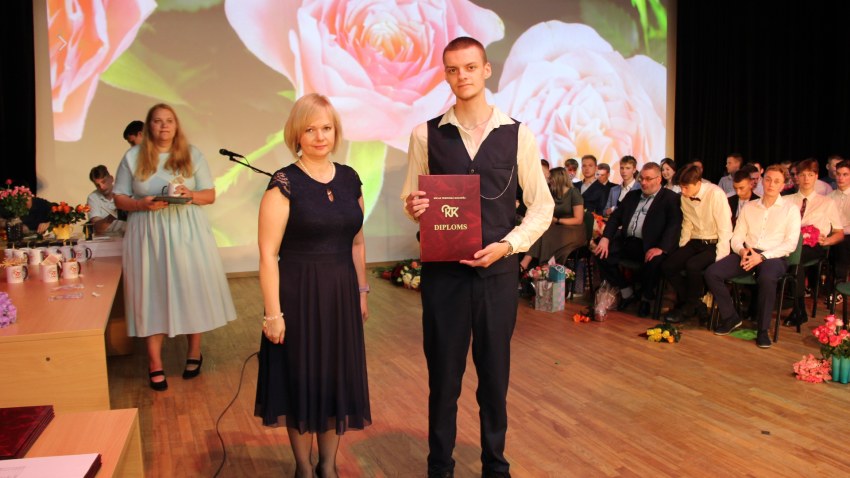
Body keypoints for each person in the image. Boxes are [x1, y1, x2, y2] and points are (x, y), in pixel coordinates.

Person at [402, 36, 553, 478]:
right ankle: (439, 466)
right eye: (452, 69)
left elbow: (541, 207)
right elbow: (410, 198)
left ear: (486, 70)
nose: (461, 76)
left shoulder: (518, 134)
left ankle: (495, 466)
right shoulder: (424, 134)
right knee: (443, 380)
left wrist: (509, 245)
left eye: (470, 67)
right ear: (445, 75)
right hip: (444, 278)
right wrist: (414, 206)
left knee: (494, 377)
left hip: (498, 277)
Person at [255, 94, 370, 478]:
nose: (320, 137)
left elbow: (357, 242)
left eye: (326, 128)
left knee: (336, 379)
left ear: (336, 132)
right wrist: (273, 314)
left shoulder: (350, 178)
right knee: (301, 380)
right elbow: (268, 255)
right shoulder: (284, 183)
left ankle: (328, 466)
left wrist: (362, 292)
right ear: (297, 135)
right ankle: (304, 468)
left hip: (340, 294)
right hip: (298, 295)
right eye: (310, 129)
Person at [113, 103, 236, 391]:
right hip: (148, 232)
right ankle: (154, 362)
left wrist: (190, 195)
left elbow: (210, 195)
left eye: (169, 120)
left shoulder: (192, 154)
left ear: (176, 125)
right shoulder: (133, 156)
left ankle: (194, 352)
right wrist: (140, 204)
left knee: (190, 288)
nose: (164, 126)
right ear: (149, 126)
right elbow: (119, 197)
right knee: (150, 292)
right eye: (158, 121)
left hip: (187, 232)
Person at [706, 165, 801, 348]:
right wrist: (742, 251)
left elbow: (790, 244)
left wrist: (762, 257)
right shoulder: (749, 207)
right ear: (762, 181)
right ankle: (731, 317)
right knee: (712, 273)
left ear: (783, 185)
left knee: (767, 278)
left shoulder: (790, 209)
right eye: (768, 179)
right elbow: (737, 237)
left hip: (774, 256)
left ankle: (763, 330)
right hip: (748, 252)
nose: (771, 184)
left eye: (777, 181)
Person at [594, 163, 682, 317]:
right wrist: (606, 238)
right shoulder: (632, 196)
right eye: (641, 179)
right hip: (628, 241)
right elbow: (615, 218)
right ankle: (626, 291)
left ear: (659, 179)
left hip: (651, 244)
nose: (644, 182)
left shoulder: (670, 198)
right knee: (600, 253)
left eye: (648, 179)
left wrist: (662, 248)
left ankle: (646, 299)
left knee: (654, 262)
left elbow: (674, 225)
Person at [662, 164, 732, 323]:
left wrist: (721, 258)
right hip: (695, 241)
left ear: (698, 183)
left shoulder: (715, 194)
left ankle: (688, 308)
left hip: (714, 242)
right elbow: (687, 223)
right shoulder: (685, 197)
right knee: (668, 265)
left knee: (693, 265)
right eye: (681, 187)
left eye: (686, 187)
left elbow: (725, 227)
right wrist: (682, 248)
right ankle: (695, 303)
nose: (683, 191)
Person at [784, 158, 844, 326]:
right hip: (790, 244)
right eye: (802, 175)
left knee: (795, 258)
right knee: (790, 257)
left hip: (815, 245)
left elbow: (839, 232)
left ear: (816, 176)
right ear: (796, 177)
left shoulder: (827, 202)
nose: (806, 179)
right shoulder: (787, 201)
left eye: (810, 175)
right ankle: (796, 307)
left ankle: (798, 308)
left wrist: (827, 240)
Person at [519, 167, 585, 271]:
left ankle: (529, 263)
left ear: (558, 179)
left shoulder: (574, 193)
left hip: (573, 228)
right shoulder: (551, 193)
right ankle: (528, 264)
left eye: (551, 178)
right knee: (539, 230)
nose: (549, 181)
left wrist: (557, 220)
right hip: (556, 226)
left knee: (547, 233)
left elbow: (578, 219)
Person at [828, 160, 850, 306]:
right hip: (833, 233)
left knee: (842, 245)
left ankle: (839, 288)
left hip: (847, 235)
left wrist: (840, 232)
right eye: (838, 174)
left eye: (845, 174)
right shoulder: (830, 197)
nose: (841, 178)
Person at [86, 165, 126, 235]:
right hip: (104, 239)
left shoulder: (126, 193)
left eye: (104, 182)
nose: (102, 187)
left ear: (111, 179)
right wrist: (113, 216)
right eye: (97, 185)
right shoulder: (93, 198)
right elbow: (98, 228)